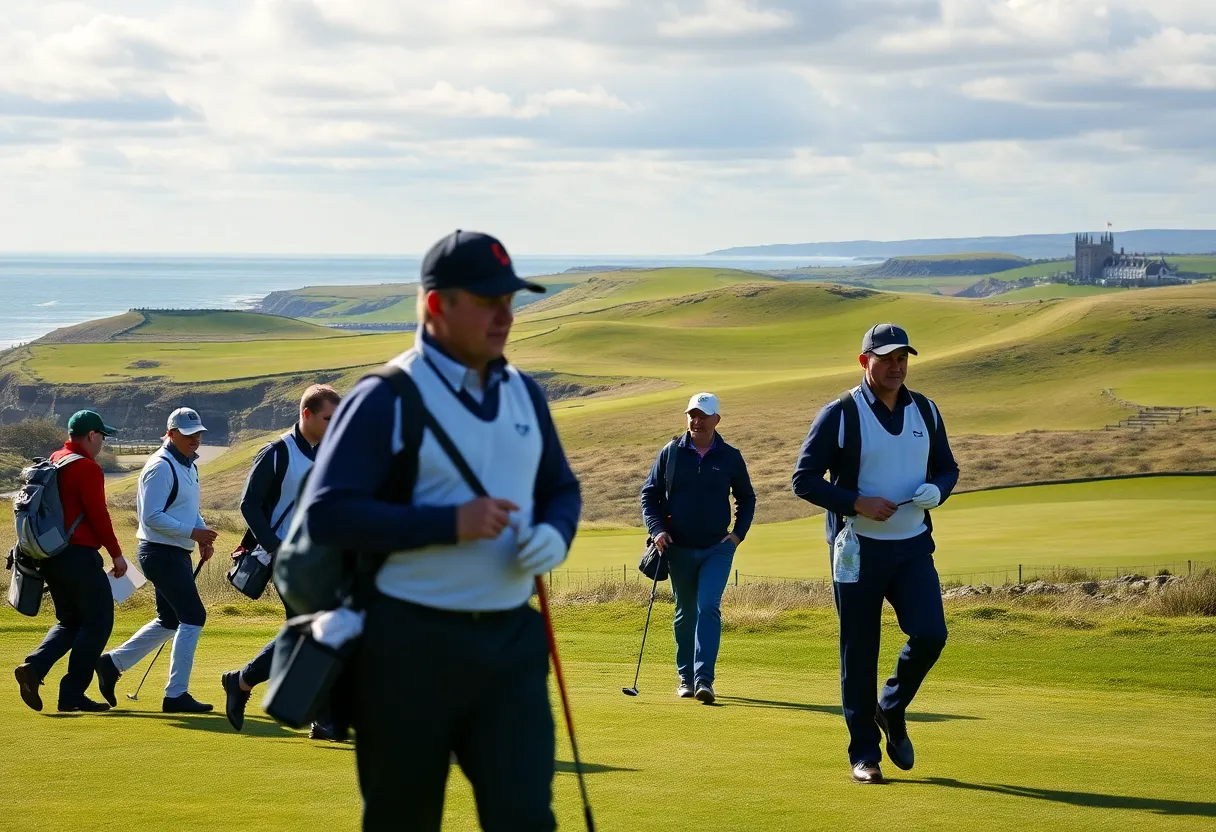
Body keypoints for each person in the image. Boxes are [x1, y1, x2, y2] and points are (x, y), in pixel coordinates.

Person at [297, 229, 581, 831]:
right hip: (407, 644)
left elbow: (561, 488)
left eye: (509, 300)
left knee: (526, 818)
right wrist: (449, 523)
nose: (506, 316)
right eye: (487, 301)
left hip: (510, 641)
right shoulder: (385, 397)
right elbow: (329, 513)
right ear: (435, 306)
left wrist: (555, 534)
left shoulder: (524, 394)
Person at [792, 323, 959, 784]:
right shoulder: (841, 413)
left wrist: (938, 490)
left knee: (931, 634)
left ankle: (892, 706)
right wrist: (855, 502)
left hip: (912, 548)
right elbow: (804, 480)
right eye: (885, 359)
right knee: (860, 652)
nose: (896, 367)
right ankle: (864, 754)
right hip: (857, 552)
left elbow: (947, 468)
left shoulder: (926, 409)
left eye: (902, 358)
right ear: (865, 361)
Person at [221, 383, 341, 738]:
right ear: (306, 415)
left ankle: (242, 682)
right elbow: (249, 504)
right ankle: (322, 717)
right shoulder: (276, 452)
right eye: (328, 418)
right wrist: (276, 546)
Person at [96, 407, 220, 713]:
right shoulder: (161, 466)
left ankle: (112, 663)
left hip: (175, 552)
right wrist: (192, 533)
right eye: (189, 435)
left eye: (198, 434)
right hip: (159, 553)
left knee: (170, 620)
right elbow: (151, 517)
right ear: (172, 433)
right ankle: (176, 695)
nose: (195, 440)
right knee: (193, 616)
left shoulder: (188, 465)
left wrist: (201, 536)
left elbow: (189, 508)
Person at [640, 393, 756, 704]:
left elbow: (746, 498)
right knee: (685, 612)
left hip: (717, 548)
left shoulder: (730, 456)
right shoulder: (671, 453)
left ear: (717, 419)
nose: (696, 421)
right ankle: (686, 677)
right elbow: (649, 494)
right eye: (692, 415)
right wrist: (657, 530)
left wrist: (737, 536)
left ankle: (704, 679)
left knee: (708, 606)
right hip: (678, 548)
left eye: (703, 415)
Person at [14, 411, 128, 713]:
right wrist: (116, 554)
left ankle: (34, 668)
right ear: (91, 435)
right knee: (98, 622)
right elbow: (98, 515)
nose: (102, 442)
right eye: (102, 436)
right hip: (79, 556)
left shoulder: (55, 459)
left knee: (71, 621)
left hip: (50, 557)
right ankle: (72, 694)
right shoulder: (87, 467)